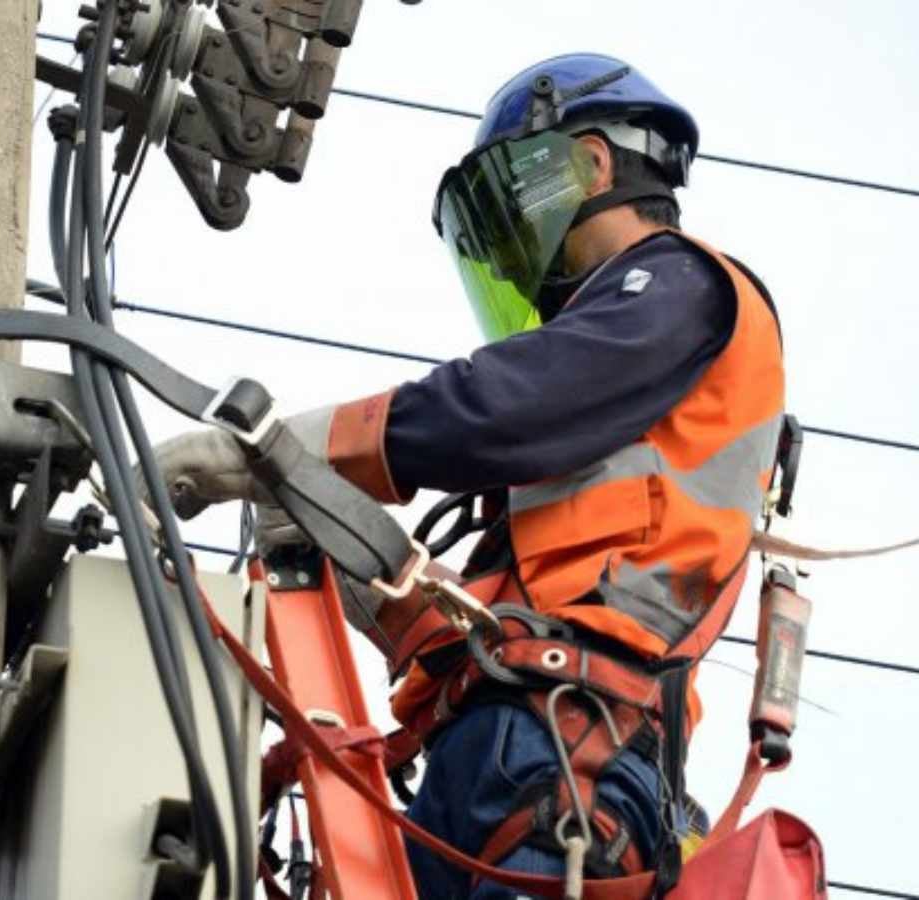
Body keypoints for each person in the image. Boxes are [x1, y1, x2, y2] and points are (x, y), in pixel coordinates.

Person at [146, 54, 785, 899]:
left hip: (561, 749)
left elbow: (498, 405)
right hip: (496, 748)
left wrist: (275, 451)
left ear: (592, 164)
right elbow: (507, 607)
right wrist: (345, 547)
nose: (513, 242)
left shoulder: (680, 285)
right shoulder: (600, 444)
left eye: (517, 197)